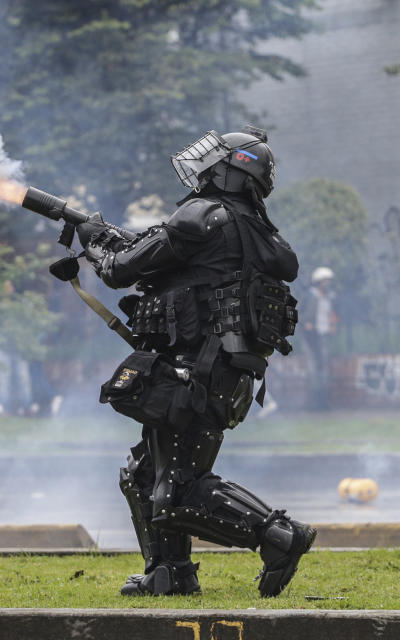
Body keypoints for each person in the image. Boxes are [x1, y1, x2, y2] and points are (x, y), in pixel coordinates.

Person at [75, 127, 315, 597]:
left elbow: (122, 269)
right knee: (145, 474)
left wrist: (93, 240)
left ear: (230, 170)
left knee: (181, 485)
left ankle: (279, 536)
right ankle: (169, 574)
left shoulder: (202, 216)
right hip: (219, 372)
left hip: (197, 370)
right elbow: (181, 269)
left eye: (214, 160)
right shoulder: (253, 230)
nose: (202, 167)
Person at [302, 267, 337, 410]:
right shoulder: (310, 296)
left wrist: (333, 324)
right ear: (318, 282)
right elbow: (299, 314)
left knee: (324, 368)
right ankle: (313, 402)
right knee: (312, 368)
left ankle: (324, 401)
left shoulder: (331, 297)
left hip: (324, 336)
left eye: (328, 280)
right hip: (311, 337)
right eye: (325, 280)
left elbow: (334, 313)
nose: (327, 283)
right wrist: (306, 323)